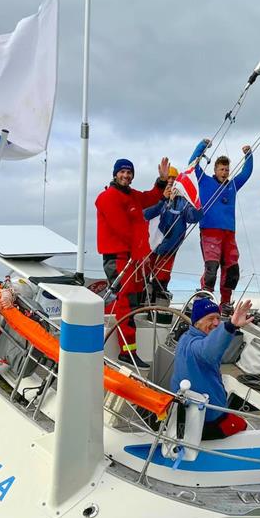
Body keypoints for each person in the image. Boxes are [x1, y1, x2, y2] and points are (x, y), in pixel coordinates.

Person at [96, 157, 170, 369]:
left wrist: (162, 181)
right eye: (122, 172)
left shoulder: (132, 196)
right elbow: (122, 229)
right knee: (126, 303)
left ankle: (130, 351)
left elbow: (150, 197)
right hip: (120, 258)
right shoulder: (108, 197)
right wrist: (141, 250)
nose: (126, 176)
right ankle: (126, 353)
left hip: (132, 259)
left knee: (132, 303)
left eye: (129, 173)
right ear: (115, 173)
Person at [171, 298, 252, 440]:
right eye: (210, 318)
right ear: (197, 322)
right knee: (243, 426)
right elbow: (209, 350)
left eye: (218, 318)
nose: (216, 323)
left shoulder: (185, 337)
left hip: (183, 413)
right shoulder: (196, 346)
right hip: (207, 419)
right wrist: (230, 325)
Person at [190, 139, 254, 311]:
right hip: (210, 230)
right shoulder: (205, 181)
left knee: (232, 269)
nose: (225, 172)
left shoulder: (232, 185)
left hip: (229, 233)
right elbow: (193, 163)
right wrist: (202, 146)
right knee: (212, 266)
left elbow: (246, 173)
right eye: (221, 169)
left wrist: (249, 155)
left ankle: (225, 302)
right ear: (215, 170)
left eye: (227, 169)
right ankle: (205, 298)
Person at [143, 166, 202, 298]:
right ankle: (143, 297)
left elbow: (192, 218)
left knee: (162, 278)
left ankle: (158, 298)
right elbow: (146, 214)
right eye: (168, 177)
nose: (170, 181)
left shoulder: (183, 201)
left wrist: (198, 205)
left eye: (173, 178)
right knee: (144, 277)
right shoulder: (154, 196)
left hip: (170, 246)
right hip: (151, 245)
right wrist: (162, 198)